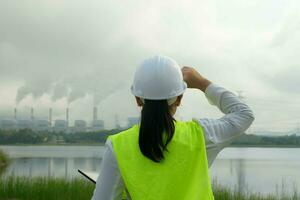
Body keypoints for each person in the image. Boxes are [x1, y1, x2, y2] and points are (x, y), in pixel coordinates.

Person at [91, 55, 254, 200]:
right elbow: (244, 114)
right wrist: (202, 83)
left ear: (138, 100)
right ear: (179, 99)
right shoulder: (201, 135)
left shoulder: (118, 146)